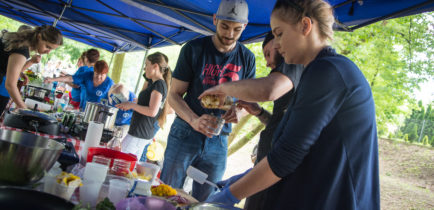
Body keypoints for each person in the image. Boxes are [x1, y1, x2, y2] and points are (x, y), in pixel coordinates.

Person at [205, 0, 380, 209]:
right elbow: (296, 142)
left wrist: (230, 195)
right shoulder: (315, 73)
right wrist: (247, 177)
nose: (277, 44)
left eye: (279, 34)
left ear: (305, 26)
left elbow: (286, 156)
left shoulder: (329, 72)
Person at [160, 0, 256, 201]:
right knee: (167, 193)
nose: (230, 34)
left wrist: (238, 112)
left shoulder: (247, 58)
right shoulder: (194, 49)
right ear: (214, 19)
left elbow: (248, 103)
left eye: (237, 29)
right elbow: (174, 95)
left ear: (244, 27)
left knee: (206, 200)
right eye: (225, 26)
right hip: (186, 131)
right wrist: (194, 120)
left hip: (219, 139)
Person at [202, 31, 304, 210]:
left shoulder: (292, 63)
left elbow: (269, 89)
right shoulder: (290, 85)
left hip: (273, 176)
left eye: (267, 54)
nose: (267, 62)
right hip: (264, 172)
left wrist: (225, 88)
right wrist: (259, 112)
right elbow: (281, 127)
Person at [116, 52, 172, 160]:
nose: (144, 68)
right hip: (140, 133)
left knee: (120, 162)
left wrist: (131, 105)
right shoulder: (155, 84)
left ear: (155, 66)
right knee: (129, 166)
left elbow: (152, 111)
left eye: (146, 65)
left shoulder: (159, 85)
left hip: (139, 133)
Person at [0, 25, 63, 113]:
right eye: (47, 47)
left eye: (51, 49)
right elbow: (10, 84)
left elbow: (9, 67)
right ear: (39, 37)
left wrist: (24, 70)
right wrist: (24, 108)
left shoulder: (21, 44)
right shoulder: (22, 49)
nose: (48, 52)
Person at [44, 60, 114, 105]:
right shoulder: (88, 75)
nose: (99, 77)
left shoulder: (110, 84)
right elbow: (70, 78)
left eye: (102, 75)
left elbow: (115, 100)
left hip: (98, 114)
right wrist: (52, 79)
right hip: (82, 109)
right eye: (96, 74)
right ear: (93, 71)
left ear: (106, 73)